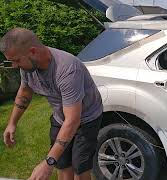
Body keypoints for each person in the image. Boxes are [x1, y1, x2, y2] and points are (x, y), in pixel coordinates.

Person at [0, 28, 103, 180]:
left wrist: (48, 163)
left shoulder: (67, 69)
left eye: (16, 61)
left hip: (86, 119)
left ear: (33, 51)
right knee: (62, 164)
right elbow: (24, 93)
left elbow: (73, 120)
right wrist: (12, 124)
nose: (14, 66)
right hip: (61, 117)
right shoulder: (27, 65)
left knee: (79, 169)